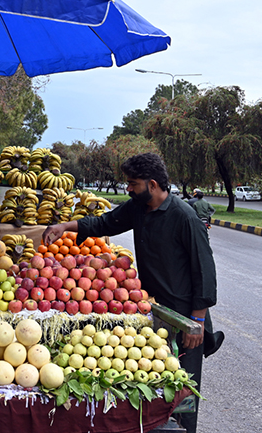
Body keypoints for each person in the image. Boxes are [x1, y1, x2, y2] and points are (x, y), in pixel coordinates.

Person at [42, 153, 223, 433]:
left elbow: (205, 270)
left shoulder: (184, 217)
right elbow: (105, 223)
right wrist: (66, 226)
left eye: (132, 183)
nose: (128, 188)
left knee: (182, 392)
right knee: (157, 381)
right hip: (155, 309)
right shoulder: (139, 208)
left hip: (185, 315)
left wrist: (197, 321)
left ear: (151, 184)